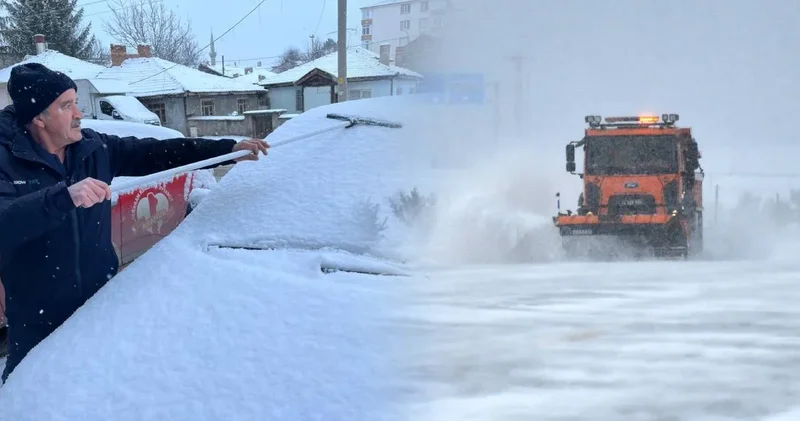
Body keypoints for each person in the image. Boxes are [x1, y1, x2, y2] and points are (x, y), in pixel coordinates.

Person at [0, 63, 269, 382]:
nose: (79, 114)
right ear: (39, 118)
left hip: (99, 304)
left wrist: (227, 150)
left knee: (98, 387)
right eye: (66, 105)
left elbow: (157, 153)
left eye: (76, 103)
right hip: (37, 318)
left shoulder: (92, 148)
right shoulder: (7, 162)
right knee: (31, 397)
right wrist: (62, 198)